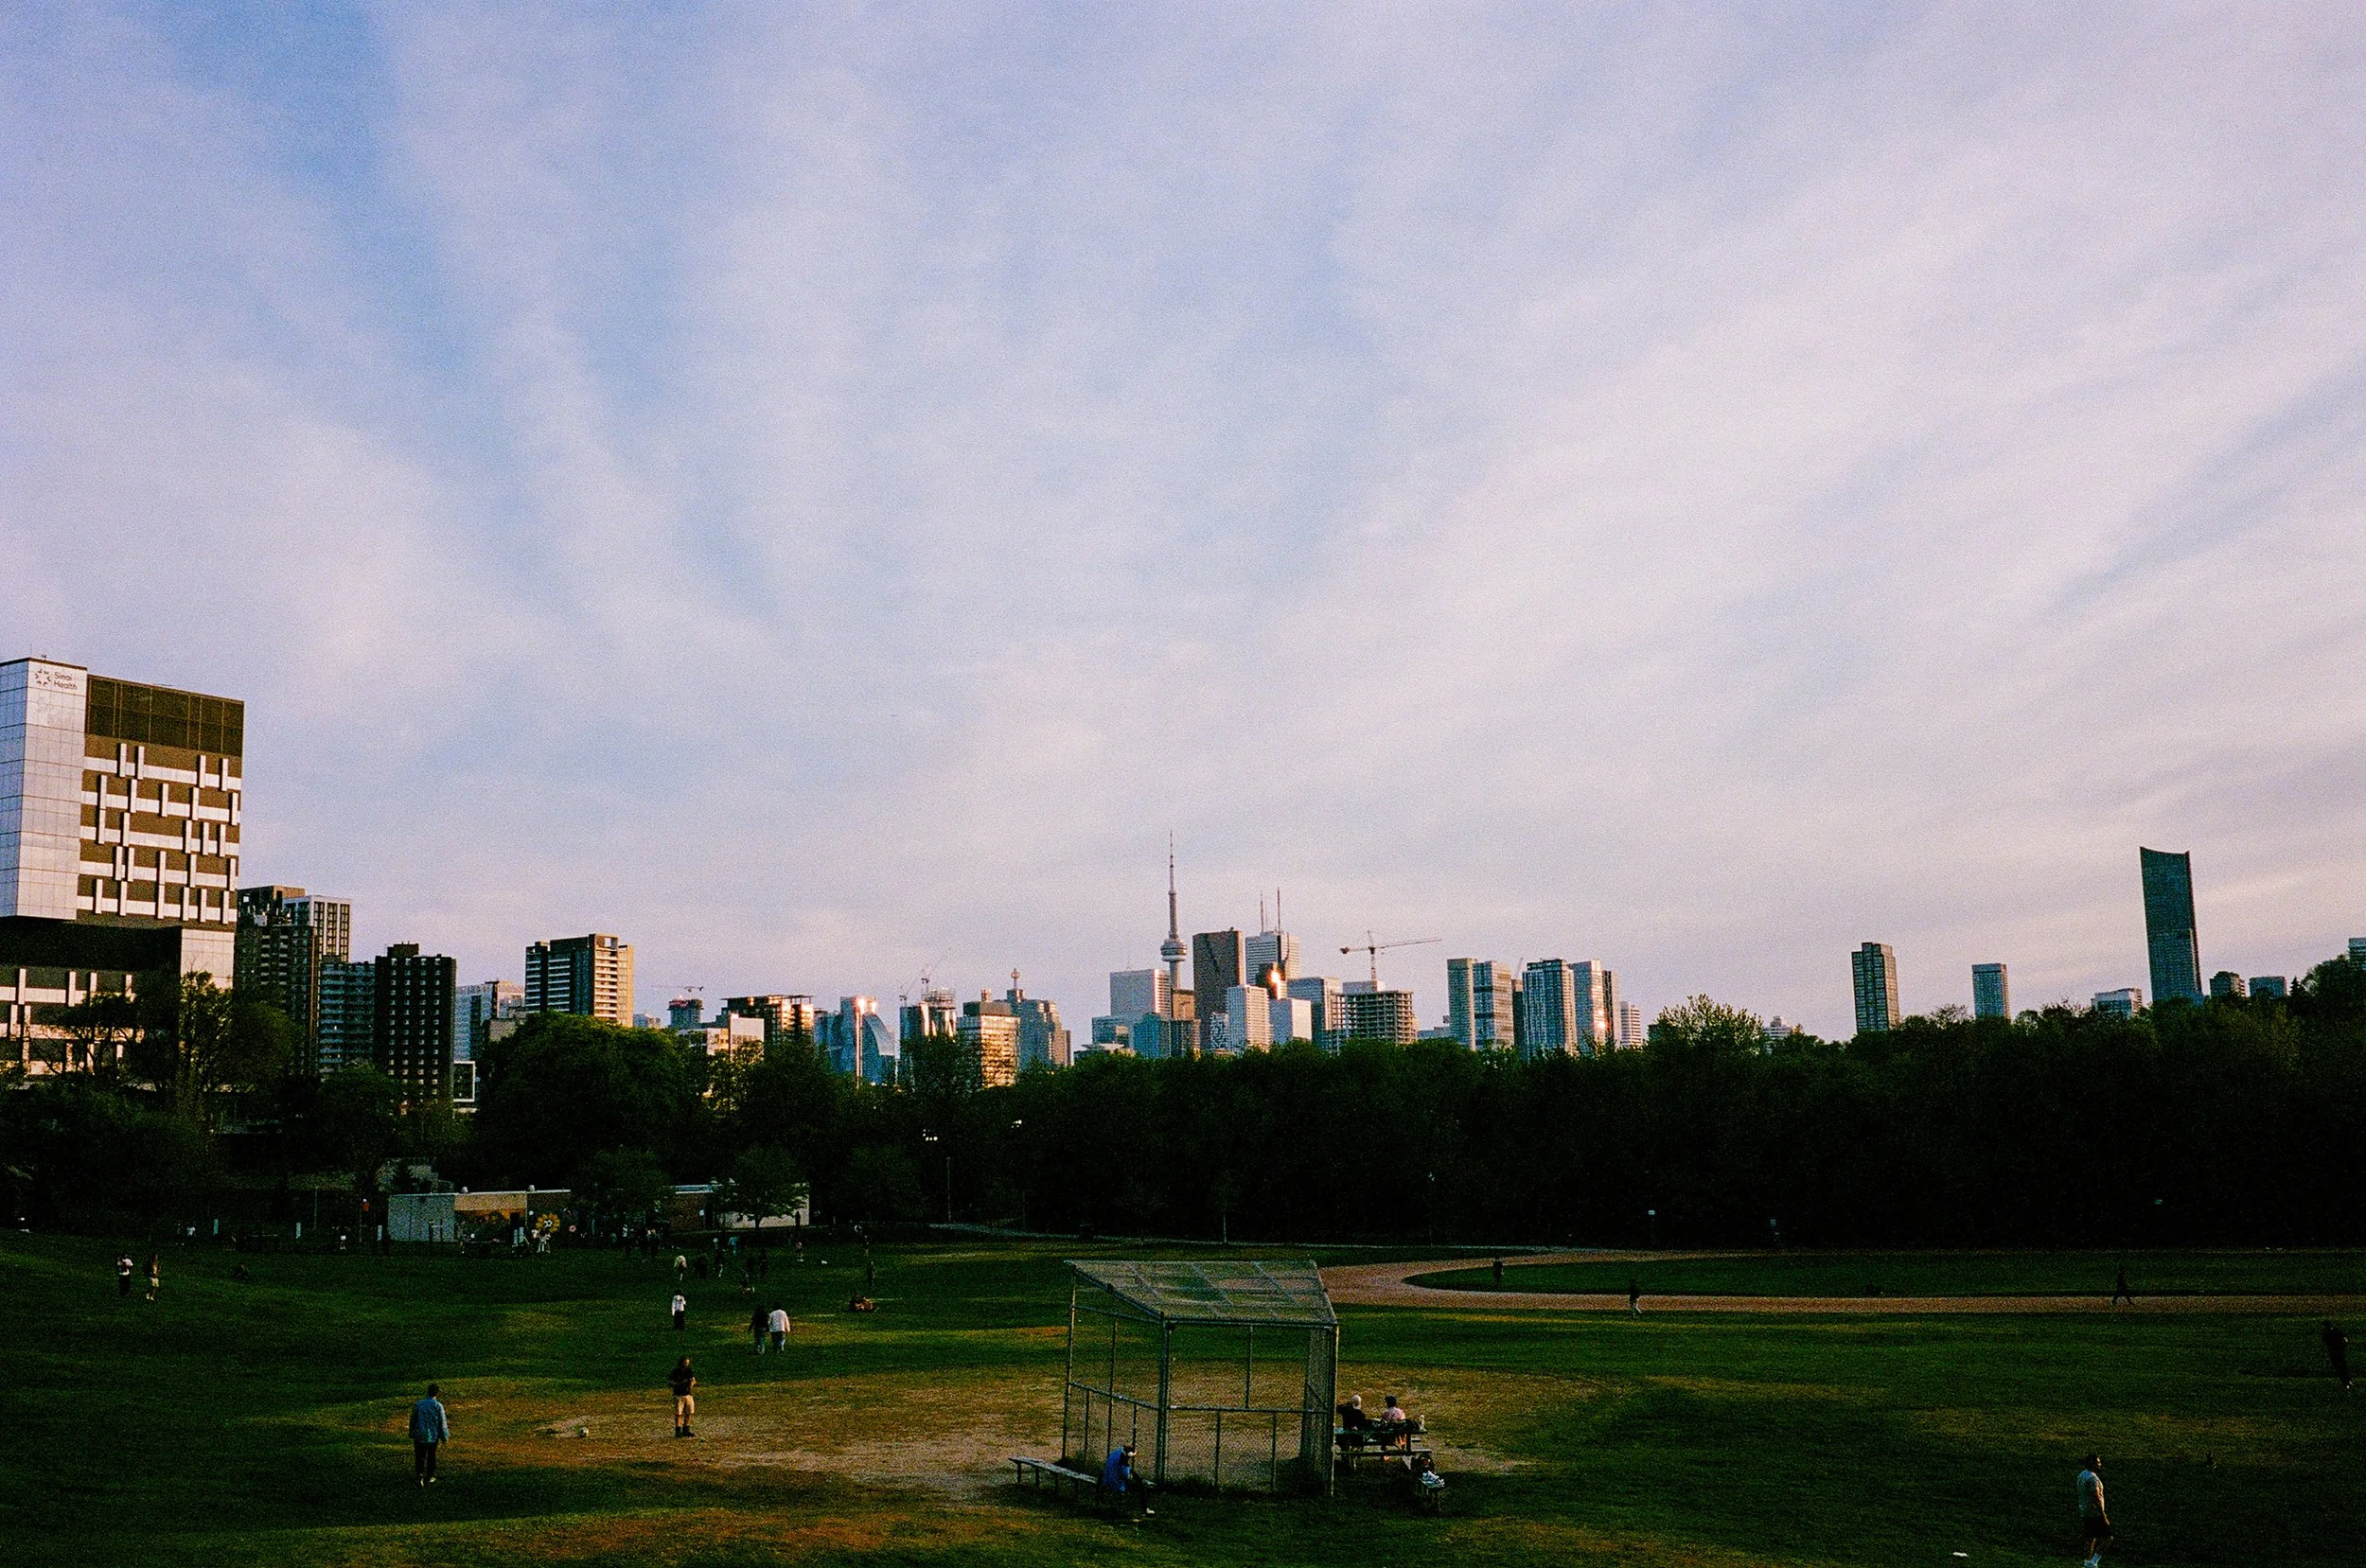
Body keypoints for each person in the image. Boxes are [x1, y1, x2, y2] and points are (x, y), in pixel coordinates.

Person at [411, 1383, 450, 1487]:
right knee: (431, 1456)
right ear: (437, 1393)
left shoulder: (419, 1404)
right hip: (433, 1435)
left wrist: (411, 1431)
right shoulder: (438, 1406)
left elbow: (413, 1419)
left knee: (420, 1456)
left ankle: (419, 1474)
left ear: (427, 1391)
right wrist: (444, 1436)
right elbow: (442, 1422)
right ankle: (430, 1476)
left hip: (419, 1434)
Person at [2076, 1453, 2111, 1567]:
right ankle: (2093, 1562)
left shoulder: (2082, 1475)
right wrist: (2103, 1515)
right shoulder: (2093, 1479)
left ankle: (2087, 1562)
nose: (2100, 1465)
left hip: (2084, 1511)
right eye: (2098, 1463)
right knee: (2108, 1537)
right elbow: (2097, 1498)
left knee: (2091, 1538)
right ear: (2092, 1464)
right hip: (2095, 1513)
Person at [1101, 1443, 1151, 1514]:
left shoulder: (1116, 1452)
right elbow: (1125, 1475)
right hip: (1116, 1483)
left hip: (1106, 1480)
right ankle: (1145, 1508)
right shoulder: (1123, 1459)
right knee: (1141, 1486)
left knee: (1135, 1478)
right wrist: (1131, 1475)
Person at [669, 1357, 697, 1437]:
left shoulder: (689, 1371)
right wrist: (677, 1384)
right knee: (679, 1413)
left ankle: (686, 1429)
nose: (686, 1365)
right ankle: (678, 1431)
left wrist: (691, 1384)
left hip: (688, 1394)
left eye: (688, 1363)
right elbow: (671, 1381)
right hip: (679, 1395)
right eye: (685, 1363)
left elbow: (693, 1380)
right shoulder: (676, 1371)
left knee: (689, 1412)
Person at [2324, 1321, 2353, 1393]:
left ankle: (2346, 1383)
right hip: (2339, 1351)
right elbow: (2345, 1340)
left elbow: (2327, 1345)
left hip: (2333, 1353)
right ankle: (2348, 1381)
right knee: (2343, 1367)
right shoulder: (2336, 1331)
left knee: (2339, 1368)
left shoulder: (2326, 1334)